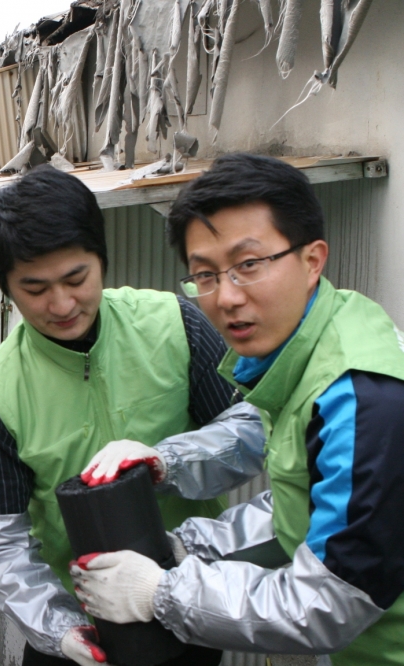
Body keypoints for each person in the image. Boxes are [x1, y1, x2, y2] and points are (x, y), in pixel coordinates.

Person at [71, 154, 404, 665]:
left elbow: (333, 601)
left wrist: (163, 592)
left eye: (248, 265)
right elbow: (303, 510)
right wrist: (188, 544)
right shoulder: (316, 346)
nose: (225, 297)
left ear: (312, 259)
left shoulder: (361, 397)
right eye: (204, 275)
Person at [0, 165, 266, 666]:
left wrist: (165, 461)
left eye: (76, 278)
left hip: (188, 609)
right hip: (82, 638)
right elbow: (2, 546)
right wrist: (61, 630)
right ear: (6, 286)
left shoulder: (175, 324)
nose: (61, 304)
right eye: (35, 289)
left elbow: (253, 435)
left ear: (102, 259)